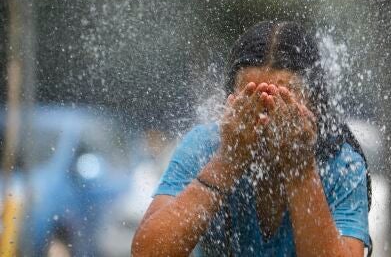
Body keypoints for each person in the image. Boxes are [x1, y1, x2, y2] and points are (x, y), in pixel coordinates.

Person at [132, 21, 371, 257]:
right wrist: (228, 161)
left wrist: (301, 168)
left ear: (314, 106)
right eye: (252, 100)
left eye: (283, 102)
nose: (266, 118)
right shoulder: (206, 147)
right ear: (230, 102)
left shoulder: (340, 166)